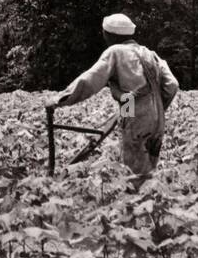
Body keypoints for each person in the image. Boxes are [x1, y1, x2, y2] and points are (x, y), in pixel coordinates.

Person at [54, 14, 179, 182]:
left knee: (134, 174)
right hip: (157, 119)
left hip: (136, 119)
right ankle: (151, 201)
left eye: (105, 33)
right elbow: (172, 85)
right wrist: (152, 108)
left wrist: (61, 99)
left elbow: (91, 80)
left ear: (111, 35)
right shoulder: (150, 53)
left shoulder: (115, 52)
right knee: (149, 169)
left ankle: (136, 204)